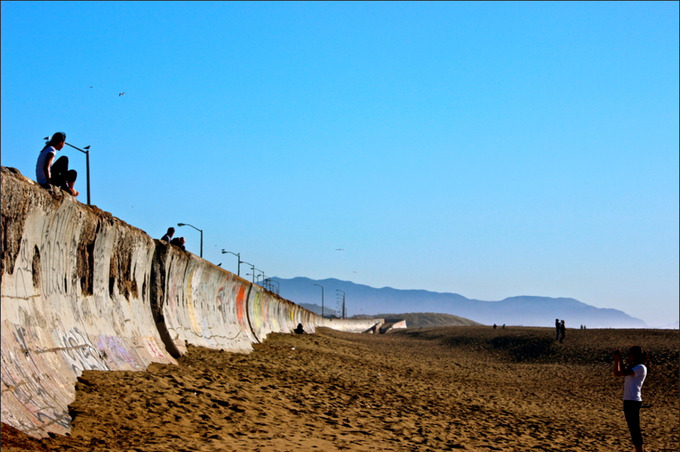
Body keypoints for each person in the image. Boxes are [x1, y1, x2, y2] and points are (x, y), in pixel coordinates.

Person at [613, 346, 650, 452]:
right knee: (633, 429)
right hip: (628, 400)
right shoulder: (633, 367)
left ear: (636, 355)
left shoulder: (641, 367)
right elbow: (617, 374)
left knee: (635, 430)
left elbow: (623, 373)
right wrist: (617, 360)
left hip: (634, 401)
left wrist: (620, 359)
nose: (628, 356)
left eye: (630, 354)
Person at [36, 132, 79, 196]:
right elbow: (46, 167)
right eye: (64, 143)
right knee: (71, 171)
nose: (64, 145)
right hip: (45, 180)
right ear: (61, 142)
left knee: (64, 160)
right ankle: (66, 186)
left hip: (43, 179)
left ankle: (69, 187)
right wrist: (49, 182)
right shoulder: (51, 150)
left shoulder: (48, 148)